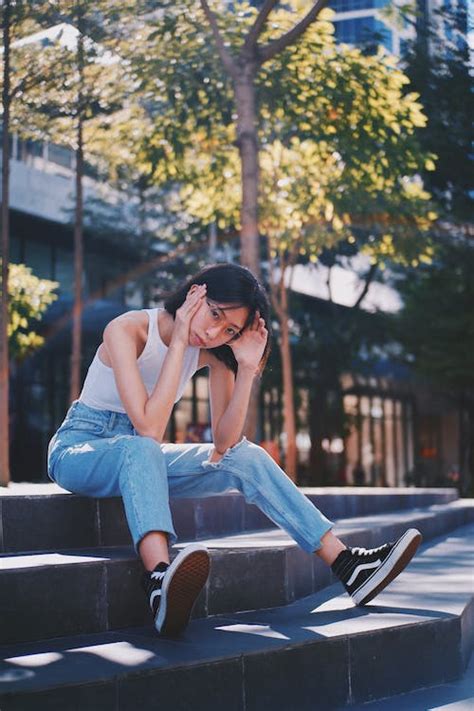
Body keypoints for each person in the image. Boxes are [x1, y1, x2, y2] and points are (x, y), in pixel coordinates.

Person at [47, 263, 422, 637]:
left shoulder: (210, 353)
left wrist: (245, 369)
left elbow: (224, 445)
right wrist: (178, 338)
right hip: (81, 448)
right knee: (141, 447)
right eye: (214, 314)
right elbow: (148, 427)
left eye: (228, 330)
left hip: (137, 456)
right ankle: (159, 580)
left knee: (246, 455)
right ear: (196, 292)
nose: (212, 333)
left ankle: (347, 565)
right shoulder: (127, 329)